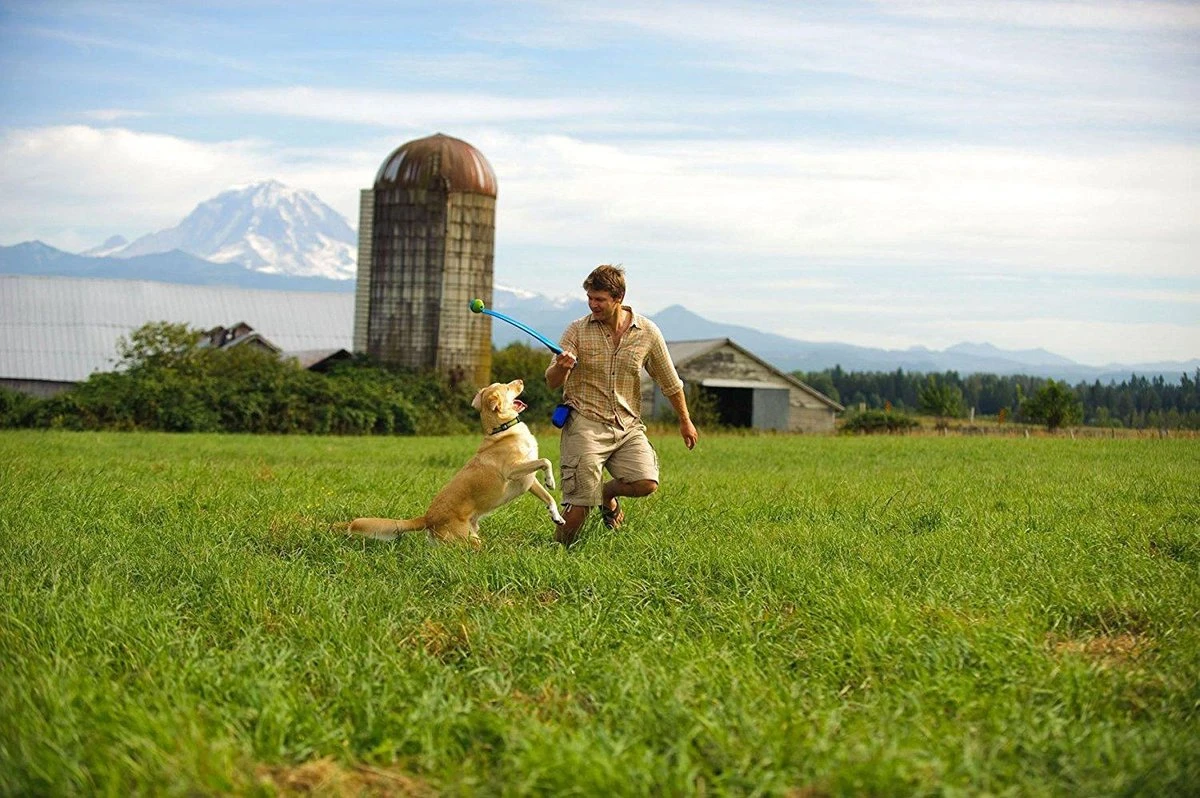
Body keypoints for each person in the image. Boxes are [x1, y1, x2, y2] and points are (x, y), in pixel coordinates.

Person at [545, 264, 698, 546]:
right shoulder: (577, 331)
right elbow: (552, 380)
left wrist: (684, 420)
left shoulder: (648, 333)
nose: (593, 305)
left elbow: (670, 382)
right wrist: (563, 367)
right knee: (579, 508)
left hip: (627, 426)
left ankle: (604, 494)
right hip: (585, 423)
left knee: (646, 482)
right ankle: (556, 553)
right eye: (590, 298)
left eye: (600, 299)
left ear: (619, 298)